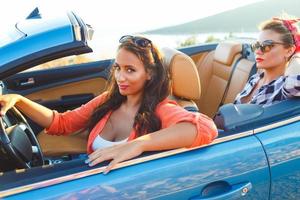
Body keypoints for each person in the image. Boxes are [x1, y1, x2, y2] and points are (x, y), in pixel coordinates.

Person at [0, 35, 218, 173]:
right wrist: (18, 100)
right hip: (91, 180)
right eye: (118, 68)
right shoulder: (109, 101)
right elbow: (62, 123)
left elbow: (205, 128)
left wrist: (137, 144)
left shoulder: (161, 109)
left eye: (130, 70)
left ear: (149, 74)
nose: (120, 77)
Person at [234, 16, 300, 107]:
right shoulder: (254, 79)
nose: (257, 51)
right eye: (256, 45)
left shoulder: (283, 87)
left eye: (266, 45)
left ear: (289, 51)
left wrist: (297, 54)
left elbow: (295, 83)